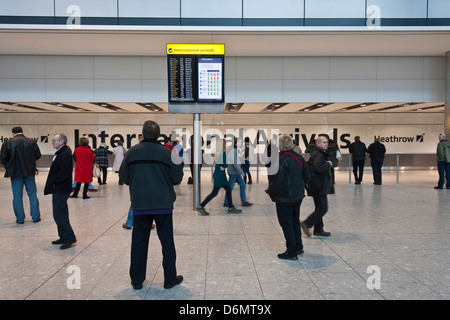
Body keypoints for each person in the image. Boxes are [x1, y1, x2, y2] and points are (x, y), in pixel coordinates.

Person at [119, 120, 184, 290]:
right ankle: (170, 279)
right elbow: (177, 177)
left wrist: (138, 184)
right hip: (163, 204)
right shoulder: (167, 152)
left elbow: (124, 177)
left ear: (142, 133)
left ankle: (137, 280)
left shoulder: (132, 152)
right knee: (167, 241)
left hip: (140, 204)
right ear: (159, 135)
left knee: (139, 241)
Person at [266, 135, 309, 260]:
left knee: (286, 223)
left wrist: (271, 192)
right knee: (295, 220)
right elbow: (306, 176)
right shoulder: (299, 158)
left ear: (280, 145)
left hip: (284, 197)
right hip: (298, 195)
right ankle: (298, 246)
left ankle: (291, 251)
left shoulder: (281, 160)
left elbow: (277, 180)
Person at [1, 126, 41, 224]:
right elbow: (38, 155)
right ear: (22, 132)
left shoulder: (8, 143)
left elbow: (3, 158)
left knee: (17, 196)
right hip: (29, 172)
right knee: (32, 194)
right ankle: (35, 217)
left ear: (13, 133)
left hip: (15, 174)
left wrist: (9, 166)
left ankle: (20, 218)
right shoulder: (31, 142)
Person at [44, 134, 77, 249]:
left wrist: (53, 180)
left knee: (59, 214)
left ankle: (69, 237)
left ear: (62, 141)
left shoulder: (64, 154)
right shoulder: (61, 153)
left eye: (54, 141)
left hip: (61, 188)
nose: (52, 142)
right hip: (59, 188)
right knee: (61, 213)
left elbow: (64, 172)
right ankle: (63, 236)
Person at [197, 139, 242, 216]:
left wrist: (224, 166)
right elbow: (225, 165)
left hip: (219, 174)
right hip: (220, 176)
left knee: (228, 189)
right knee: (214, 193)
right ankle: (201, 206)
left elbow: (222, 165)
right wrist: (226, 165)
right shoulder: (222, 154)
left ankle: (231, 207)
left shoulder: (217, 153)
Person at [301, 136, 333, 237]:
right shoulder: (319, 155)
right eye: (324, 142)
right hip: (319, 186)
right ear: (318, 144)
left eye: (327, 142)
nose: (326, 144)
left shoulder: (319, 153)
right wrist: (328, 164)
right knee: (323, 208)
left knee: (319, 207)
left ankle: (318, 229)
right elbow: (318, 167)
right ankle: (307, 223)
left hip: (317, 185)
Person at [223, 137, 253, 207]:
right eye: (239, 142)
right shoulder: (233, 151)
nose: (241, 143)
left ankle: (244, 201)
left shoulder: (235, 150)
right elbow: (235, 163)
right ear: (235, 143)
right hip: (233, 172)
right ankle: (226, 202)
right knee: (230, 187)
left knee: (242, 185)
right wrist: (241, 172)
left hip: (236, 172)